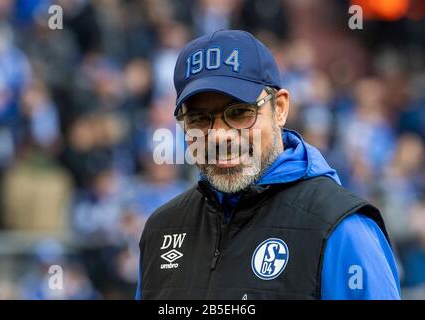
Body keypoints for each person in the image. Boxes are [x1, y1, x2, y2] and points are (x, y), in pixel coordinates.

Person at [136, 30, 401, 300]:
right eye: (199, 119)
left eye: (239, 113)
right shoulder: (162, 228)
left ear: (280, 109)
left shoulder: (340, 228)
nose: (219, 135)